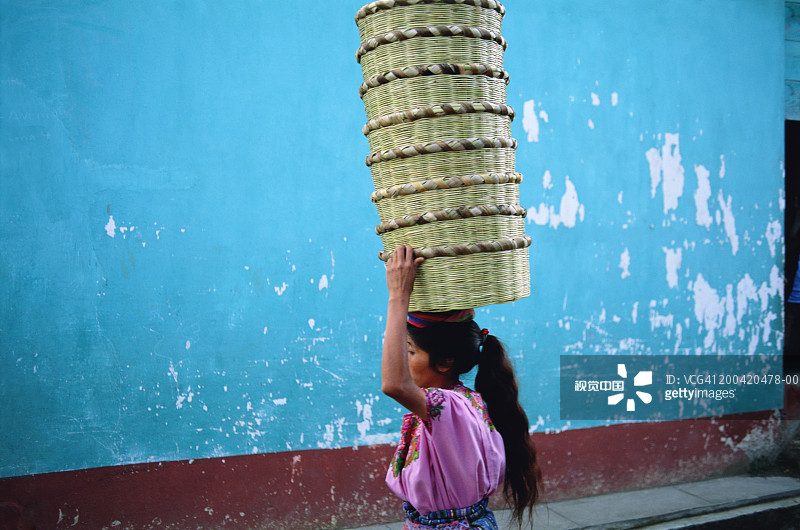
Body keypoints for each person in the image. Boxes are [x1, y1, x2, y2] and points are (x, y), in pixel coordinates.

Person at [381, 245, 543, 529]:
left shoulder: (448, 406)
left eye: (410, 352)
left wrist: (398, 296)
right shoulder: (465, 400)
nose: (403, 362)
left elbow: (394, 384)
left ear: (444, 362)